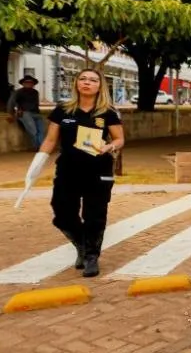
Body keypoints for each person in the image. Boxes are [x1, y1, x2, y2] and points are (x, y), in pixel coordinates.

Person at [22, 69, 124, 278]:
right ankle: (82, 244)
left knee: (94, 214)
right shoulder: (63, 110)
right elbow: (50, 140)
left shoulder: (107, 112)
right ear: (77, 83)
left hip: (98, 170)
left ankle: (91, 257)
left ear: (99, 86)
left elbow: (119, 139)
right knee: (62, 212)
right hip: (68, 168)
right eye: (83, 79)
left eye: (93, 80)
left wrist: (109, 147)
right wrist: (37, 162)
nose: (87, 83)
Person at [7, 75, 45, 150]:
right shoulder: (18, 92)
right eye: (27, 82)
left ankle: (42, 146)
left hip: (36, 113)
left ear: (33, 84)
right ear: (23, 84)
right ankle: (37, 146)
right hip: (25, 113)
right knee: (33, 130)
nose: (29, 84)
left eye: (31, 83)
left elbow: (36, 104)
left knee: (41, 131)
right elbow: (11, 102)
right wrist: (10, 113)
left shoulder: (35, 92)